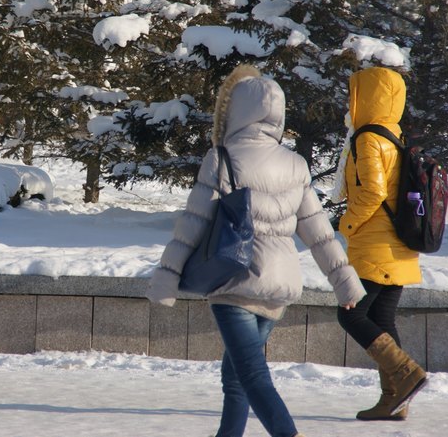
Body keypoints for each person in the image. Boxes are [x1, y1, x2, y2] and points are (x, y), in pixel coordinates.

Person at [146, 64, 366, 437]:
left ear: (235, 110)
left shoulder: (222, 158)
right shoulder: (295, 163)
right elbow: (319, 234)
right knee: (235, 378)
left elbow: (192, 224)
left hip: (236, 280)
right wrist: (347, 284)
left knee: (251, 375)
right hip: (279, 286)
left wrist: (166, 278)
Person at [333, 66, 427, 421]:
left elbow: (372, 191)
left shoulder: (368, 139)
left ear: (366, 96)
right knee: (381, 316)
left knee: (351, 314)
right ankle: (394, 401)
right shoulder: (393, 136)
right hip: (399, 243)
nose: (349, 100)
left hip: (374, 243)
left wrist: (348, 223)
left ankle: (406, 375)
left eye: (354, 93)